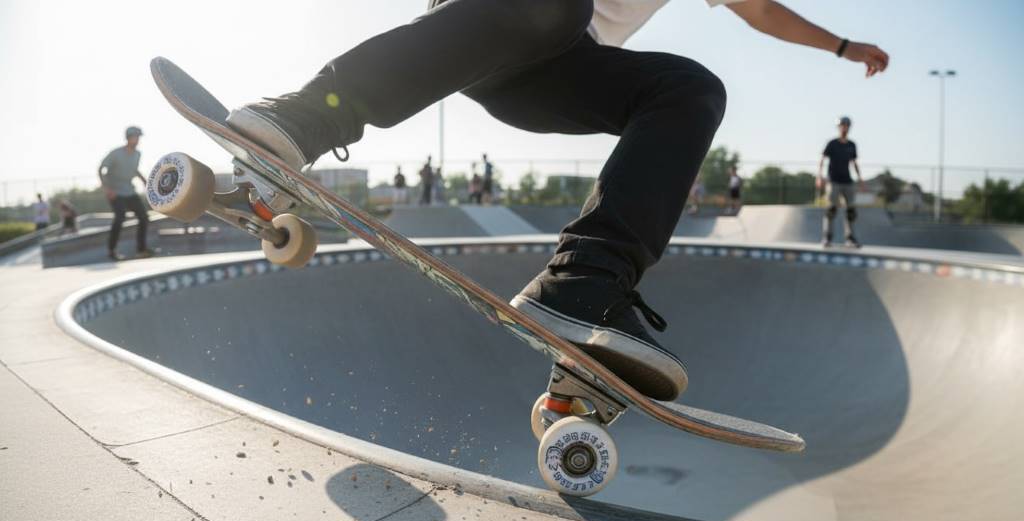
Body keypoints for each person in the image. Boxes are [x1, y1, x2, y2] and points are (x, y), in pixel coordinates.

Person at [224, 0, 888, 400]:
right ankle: (305, 119)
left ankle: (585, 285)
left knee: (691, 89)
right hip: (489, 19)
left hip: (553, 72)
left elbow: (762, 10)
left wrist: (840, 45)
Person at [99, 126, 153, 260]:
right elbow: (101, 169)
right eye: (136, 137)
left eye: (139, 138)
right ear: (129, 138)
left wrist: (145, 181)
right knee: (120, 217)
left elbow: (134, 169)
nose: (138, 140)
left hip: (129, 190)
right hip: (115, 192)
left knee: (143, 217)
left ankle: (141, 249)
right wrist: (106, 188)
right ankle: (112, 250)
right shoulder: (116, 153)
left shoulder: (137, 154)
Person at [817, 116, 864, 248]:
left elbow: (854, 163)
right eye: (842, 125)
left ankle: (850, 238)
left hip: (847, 181)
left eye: (847, 126)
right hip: (833, 180)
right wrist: (819, 176)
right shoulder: (832, 143)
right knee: (831, 209)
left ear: (849, 127)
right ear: (839, 127)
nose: (845, 128)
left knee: (851, 211)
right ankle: (827, 237)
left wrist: (860, 179)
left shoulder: (851, 145)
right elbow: (823, 159)